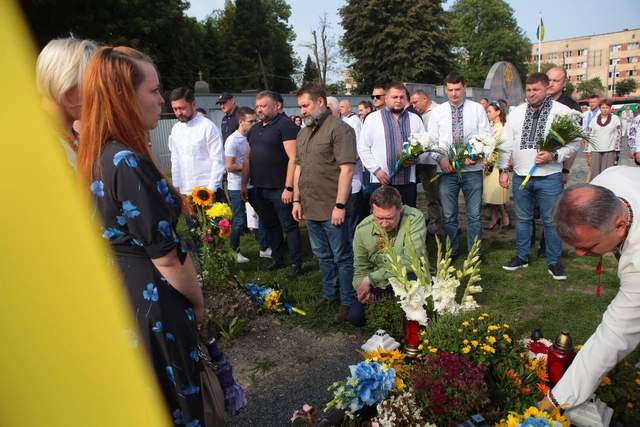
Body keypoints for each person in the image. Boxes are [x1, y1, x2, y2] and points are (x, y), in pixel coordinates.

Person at [77, 46, 205, 425]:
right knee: (176, 401)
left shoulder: (97, 155)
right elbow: (166, 256)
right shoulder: (126, 161)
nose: (161, 100)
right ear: (124, 97)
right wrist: (197, 303)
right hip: (156, 302)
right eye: (154, 90)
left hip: (124, 294)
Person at [539, 166, 640, 411]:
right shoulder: (608, 179)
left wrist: (555, 400)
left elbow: (614, 335)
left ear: (619, 226)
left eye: (587, 247)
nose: (579, 254)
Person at [498, 73, 580, 280]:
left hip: (549, 176)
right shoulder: (516, 112)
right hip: (520, 175)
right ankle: (521, 256)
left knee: (551, 221)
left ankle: (554, 261)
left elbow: (574, 144)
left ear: (547, 89)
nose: (531, 94)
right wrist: (503, 169)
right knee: (523, 219)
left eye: (536, 90)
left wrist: (554, 155)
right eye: (528, 90)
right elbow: (506, 142)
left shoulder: (562, 112)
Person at [292, 85, 357, 322]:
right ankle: (330, 294)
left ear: (320, 102)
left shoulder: (340, 130)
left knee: (342, 256)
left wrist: (340, 205)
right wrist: (296, 200)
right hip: (310, 207)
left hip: (332, 207)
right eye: (300, 106)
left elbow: (347, 170)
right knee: (322, 255)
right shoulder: (303, 133)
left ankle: (347, 301)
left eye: (305, 105)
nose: (302, 111)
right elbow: (298, 168)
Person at [430, 72, 492, 259]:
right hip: (447, 171)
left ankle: (474, 254)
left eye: (457, 89)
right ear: (445, 89)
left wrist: (476, 155)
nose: (454, 93)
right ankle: (452, 252)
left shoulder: (477, 109)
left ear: (465, 88)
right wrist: (441, 159)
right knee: (449, 215)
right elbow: (432, 141)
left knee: (474, 215)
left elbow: (486, 136)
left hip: (472, 170)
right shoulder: (438, 112)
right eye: (450, 90)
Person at [242, 90, 303, 279]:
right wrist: (244, 184)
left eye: (263, 106)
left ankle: (296, 263)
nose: (259, 110)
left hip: (280, 188)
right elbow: (248, 158)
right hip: (259, 188)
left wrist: (289, 187)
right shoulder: (255, 129)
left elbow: (294, 158)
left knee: (289, 227)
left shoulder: (286, 126)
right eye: (257, 106)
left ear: (277, 106)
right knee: (271, 225)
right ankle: (278, 257)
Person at [349, 186, 427, 326]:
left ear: (400, 209)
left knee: (413, 313)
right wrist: (362, 291)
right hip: (380, 284)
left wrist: (371, 278)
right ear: (372, 211)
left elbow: (410, 262)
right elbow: (360, 268)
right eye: (379, 218)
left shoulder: (414, 219)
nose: (384, 224)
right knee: (356, 317)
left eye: (390, 218)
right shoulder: (362, 230)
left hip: (407, 277)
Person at [358, 82, 425, 208]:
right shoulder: (373, 119)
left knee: (407, 215)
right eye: (395, 97)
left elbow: (424, 146)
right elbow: (363, 148)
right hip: (381, 180)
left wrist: (417, 158)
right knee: (383, 216)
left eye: (402, 97)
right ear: (386, 98)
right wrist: (376, 170)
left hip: (407, 181)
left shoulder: (415, 119)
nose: (398, 100)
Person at [35, 37, 97, 168]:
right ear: (64, 83)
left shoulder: (76, 139)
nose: (97, 94)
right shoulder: (35, 142)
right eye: (90, 84)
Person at [168, 87, 226, 202]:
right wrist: (176, 186)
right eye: (175, 109)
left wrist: (210, 191)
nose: (178, 113)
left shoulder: (208, 127)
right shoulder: (175, 129)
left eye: (182, 108)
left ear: (193, 104)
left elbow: (218, 161)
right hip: (185, 193)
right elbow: (175, 159)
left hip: (208, 192)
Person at [225, 107, 258, 263]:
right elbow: (229, 166)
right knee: (239, 220)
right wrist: (249, 167)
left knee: (261, 215)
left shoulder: (253, 136)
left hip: (253, 184)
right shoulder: (232, 140)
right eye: (251, 121)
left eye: (255, 120)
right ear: (241, 122)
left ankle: (264, 247)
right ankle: (234, 250)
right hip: (236, 186)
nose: (254, 124)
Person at [410, 89, 442, 235]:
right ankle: (434, 222)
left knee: (439, 194)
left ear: (424, 98)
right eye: (412, 103)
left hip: (438, 161)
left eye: (415, 102)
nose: (414, 105)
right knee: (430, 195)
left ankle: (441, 223)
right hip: (423, 161)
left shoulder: (439, 111)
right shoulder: (417, 116)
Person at [483, 101, 510, 230]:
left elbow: (497, 148)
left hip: (495, 166)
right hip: (488, 164)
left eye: (489, 111)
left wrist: (489, 165)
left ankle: (504, 216)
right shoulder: (491, 126)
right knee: (491, 195)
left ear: (498, 112)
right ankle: (495, 218)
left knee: (495, 194)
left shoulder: (500, 128)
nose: (487, 113)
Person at [587, 99, 621, 179]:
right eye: (603, 107)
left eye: (607, 107)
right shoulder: (594, 119)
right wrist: (588, 150)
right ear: (600, 108)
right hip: (595, 149)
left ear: (610, 108)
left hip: (609, 149)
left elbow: (618, 134)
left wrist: (617, 149)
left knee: (607, 173)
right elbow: (590, 135)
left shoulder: (615, 118)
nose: (605, 110)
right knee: (595, 173)